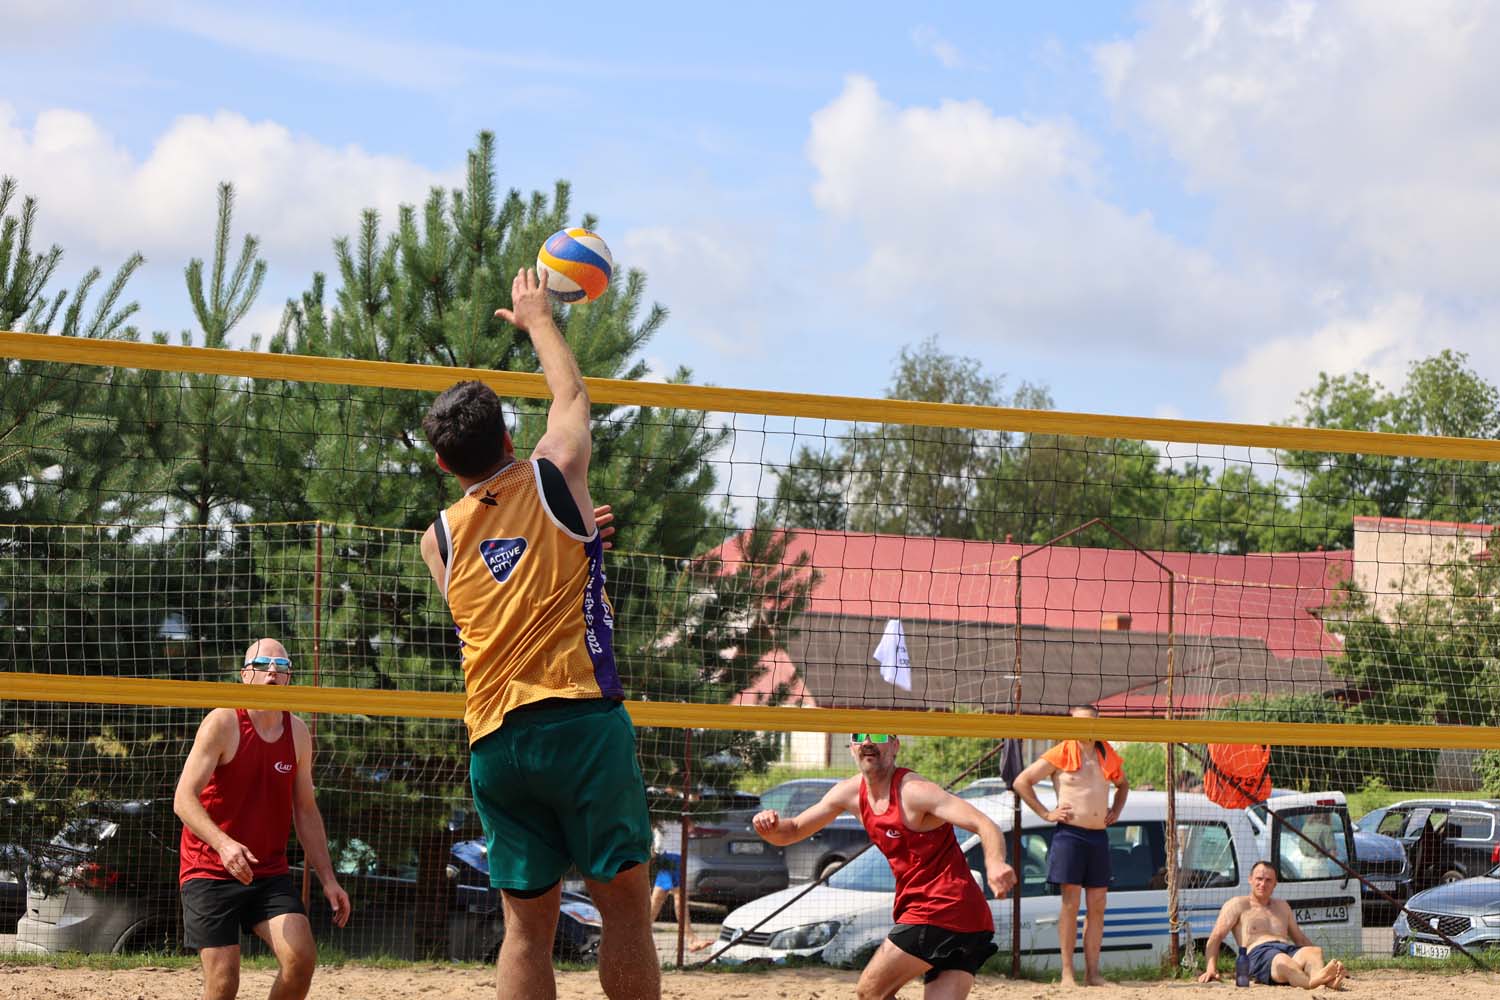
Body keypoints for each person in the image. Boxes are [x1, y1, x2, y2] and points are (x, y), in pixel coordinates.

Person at [418, 266, 657, 1000]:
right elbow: (572, 396)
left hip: (496, 742)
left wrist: (577, 539)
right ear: (509, 434)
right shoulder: (554, 470)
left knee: (526, 931)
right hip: (577, 721)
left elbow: (499, 590)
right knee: (625, 913)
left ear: (442, 464)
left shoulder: (437, 539)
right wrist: (537, 318)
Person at [752, 733, 1017, 1000]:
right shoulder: (849, 793)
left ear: (894, 745)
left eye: (877, 735)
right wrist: (769, 828)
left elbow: (984, 824)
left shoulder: (914, 791)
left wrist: (995, 863)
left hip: (939, 908)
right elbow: (793, 830)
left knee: (870, 992)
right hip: (969, 919)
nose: (867, 742)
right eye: (859, 737)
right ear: (852, 748)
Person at [174, 638, 351, 1000]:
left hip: (267, 872)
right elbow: (183, 799)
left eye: (281, 666)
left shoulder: (298, 733)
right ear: (245, 675)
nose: (273, 670)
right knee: (224, 983)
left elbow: (306, 809)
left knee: (301, 959)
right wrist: (223, 845)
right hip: (210, 868)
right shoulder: (223, 722)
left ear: (289, 678)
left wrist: (329, 879)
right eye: (263, 664)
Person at [1010, 705, 1130, 988]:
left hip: (1098, 836)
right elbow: (1021, 782)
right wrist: (1046, 813)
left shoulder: (1106, 752)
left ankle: (1093, 974)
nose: (1085, 728)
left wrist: (1116, 809)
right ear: (1070, 724)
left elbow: (1123, 785)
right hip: (1070, 836)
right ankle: (1067, 973)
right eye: (1079, 723)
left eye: (1089, 723)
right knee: (1070, 903)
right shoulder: (1061, 752)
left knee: (1098, 905)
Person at [1197, 861, 1348, 989]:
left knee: (1313, 951)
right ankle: (1313, 982)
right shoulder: (1237, 904)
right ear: (1250, 879)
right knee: (1282, 960)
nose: (1263, 884)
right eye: (1259, 879)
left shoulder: (1282, 906)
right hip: (1258, 954)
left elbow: (1300, 940)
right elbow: (1216, 937)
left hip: (1285, 949)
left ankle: (1322, 979)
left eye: (1268, 880)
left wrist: (1320, 962)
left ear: (1275, 884)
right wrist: (1211, 969)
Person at [648, 815, 712, 952]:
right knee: (680, 898)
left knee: (657, 899)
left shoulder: (676, 807)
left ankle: (642, 937)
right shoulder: (669, 806)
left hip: (670, 854)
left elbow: (689, 827)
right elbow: (689, 828)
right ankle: (691, 940)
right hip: (670, 854)